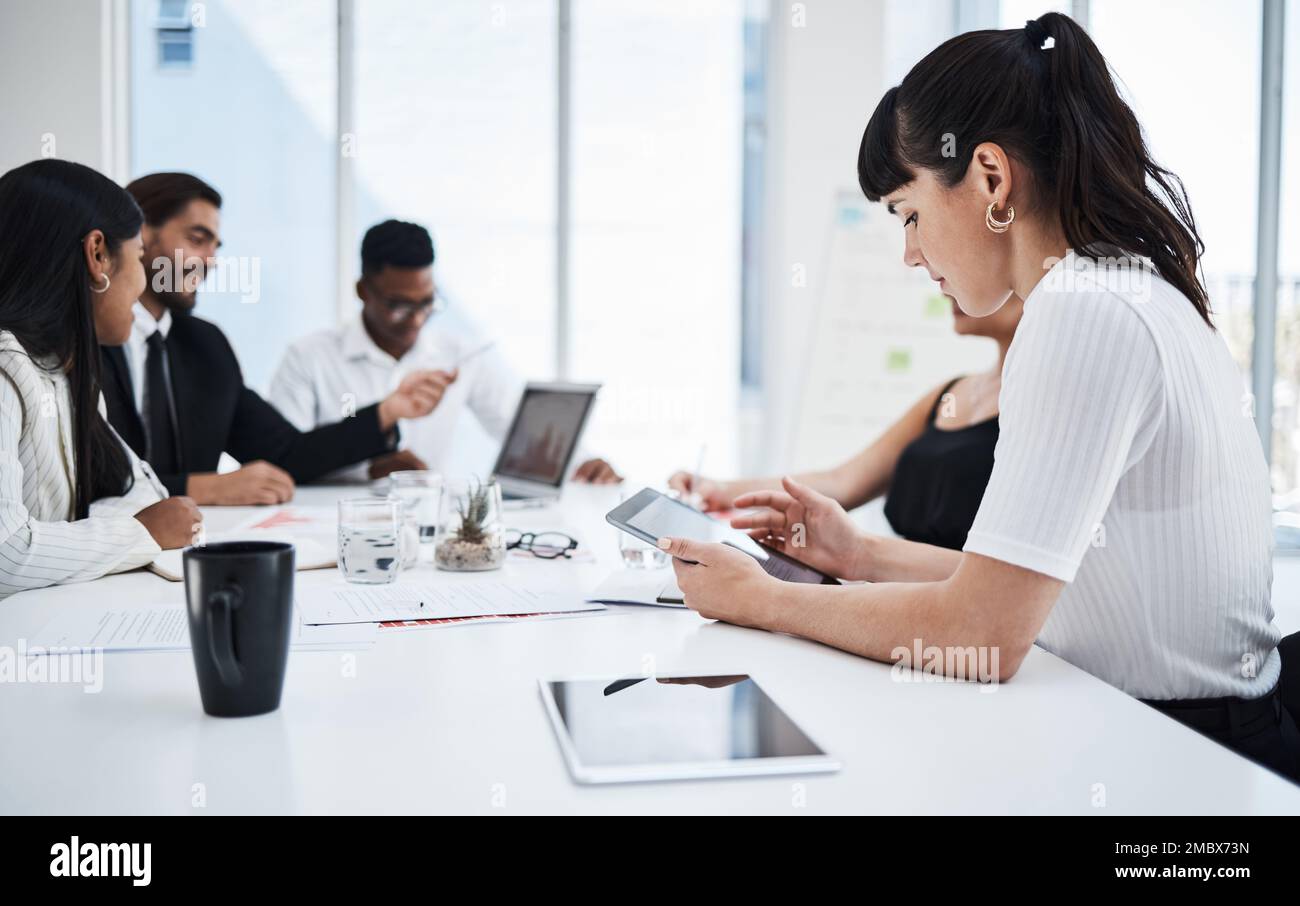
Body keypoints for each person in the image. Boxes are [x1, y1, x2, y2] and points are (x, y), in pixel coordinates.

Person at [660, 14, 1299, 782]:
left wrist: (762, 602)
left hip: (1181, 764)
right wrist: (858, 555)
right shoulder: (1122, 291)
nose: (909, 253)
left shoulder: (1081, 312)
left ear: (992, 178)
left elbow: (983, 635)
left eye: (910, 214)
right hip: (1168, 734)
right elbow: (1010, 592)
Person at [99, 174, 448, 505]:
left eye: (214, 246)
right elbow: (87, 479)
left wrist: (388, 411)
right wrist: (203, 487)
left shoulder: (204, 346)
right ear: (141, 235)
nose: (211, 262)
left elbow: (287, 453)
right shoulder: (88, 340)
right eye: (196, 239)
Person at [267, 219, 620, 483]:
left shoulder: (460, 355)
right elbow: (282, 461)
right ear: (363, 290)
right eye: (399, 306)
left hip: (428, 527)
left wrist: (581, 462)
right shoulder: (308, 358)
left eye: (427, 303)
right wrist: (366, 468)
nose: (417, 319)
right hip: (330, 523)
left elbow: (521, 431)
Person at [670, 297, 1022, 551]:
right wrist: (721, 490)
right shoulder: (949, 394)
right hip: (892, 597)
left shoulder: (1037, 410)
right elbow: (843, 480)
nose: (948, 287)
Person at [0, 160, 202, 598]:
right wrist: (138, 534)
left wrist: (130, 524)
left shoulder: (64, 369)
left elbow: (141, 489)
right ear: (97, 255)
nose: (143, 280)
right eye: (141, 258)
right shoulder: (5, 370)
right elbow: (5, 554)